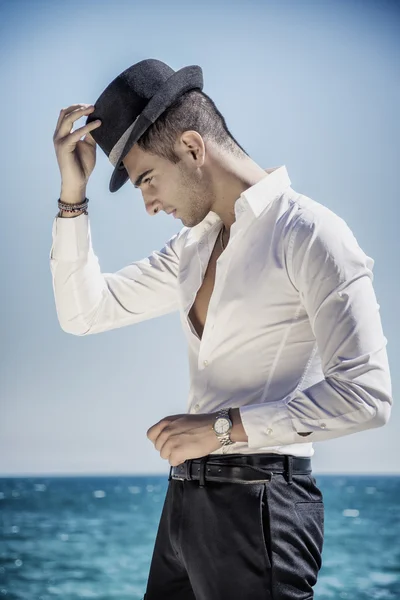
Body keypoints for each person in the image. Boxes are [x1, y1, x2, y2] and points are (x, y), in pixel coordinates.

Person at [51, 59, 393, 600]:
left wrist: (223, 430)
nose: (148, 204)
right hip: (184, 508)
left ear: (192, 147)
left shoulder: (311, 234)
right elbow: (84, 313)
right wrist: (73, 195)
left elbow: (367, 395)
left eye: (146, 180)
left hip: (261, 508)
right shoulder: (193, 246)